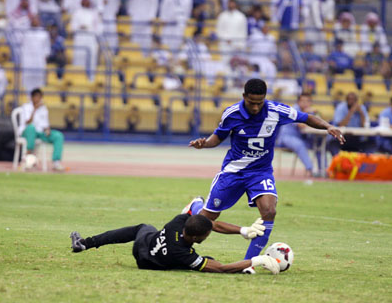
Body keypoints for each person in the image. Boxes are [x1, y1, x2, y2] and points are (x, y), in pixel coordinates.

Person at [184, 78, 344, 274]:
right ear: (244, 97)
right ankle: (196, 206)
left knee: (269, 211)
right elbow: (218, 137)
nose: (256, 107)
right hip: (233, 172)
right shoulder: (232, 114)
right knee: (206, 221)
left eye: (260, 102)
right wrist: (205, 144)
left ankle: (248, 264)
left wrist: (328, 126)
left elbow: (306, 117)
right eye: (252, 102)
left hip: (260, 172)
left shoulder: (277, 111)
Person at [70, 213, 281, 274]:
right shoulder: (183, 254)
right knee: (209, 265)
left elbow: (212, 224)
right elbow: (222, 268)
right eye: (207, 234)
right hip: (147, 261)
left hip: (145, 241)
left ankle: (85, 244)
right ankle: (244, 269)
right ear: (198, 238)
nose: (211, 233)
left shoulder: (180, 222)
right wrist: (257, 259)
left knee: (142, 226)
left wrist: (243, 230)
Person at [19, 88, 65, 171]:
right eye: (37, 97)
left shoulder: (43, 109)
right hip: (27, 131)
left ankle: (56, 162)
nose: (39, 99)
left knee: (58, 136)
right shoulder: (26, 107)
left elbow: (46, 124)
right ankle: (29, 158)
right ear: (32, 97)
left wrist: (47, 130)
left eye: (40, 97)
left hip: (40, 132)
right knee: (31, 129)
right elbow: (28, 122)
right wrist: (35, 109)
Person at [277, 93, 321, 176]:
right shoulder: (294, 110)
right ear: (298, 102)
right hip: (286, 138)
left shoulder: (309, 111)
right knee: (299, 144)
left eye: (307, 101)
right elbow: (301, 125)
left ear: (311, 102)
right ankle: (310, 169)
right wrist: (307, 113)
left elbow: (318, 122)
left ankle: (323, 169)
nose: (305, 103)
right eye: (302, 101)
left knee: (318, 145)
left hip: (300, 137)